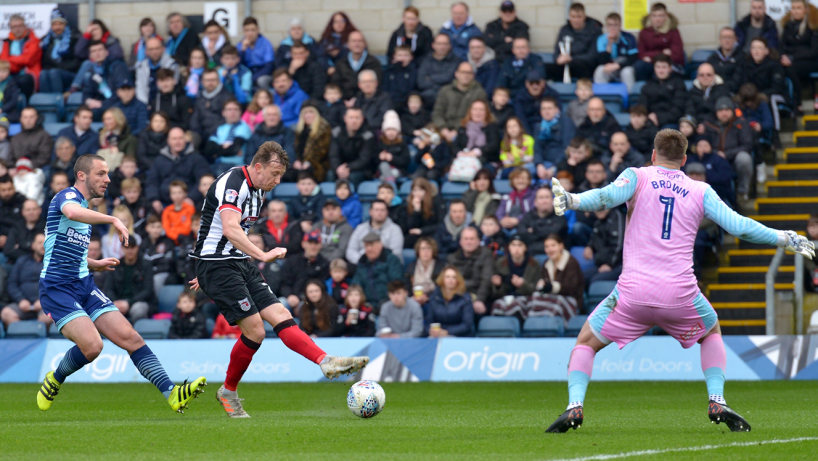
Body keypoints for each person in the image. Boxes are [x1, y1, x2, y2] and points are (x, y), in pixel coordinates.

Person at [545, 129, 815, 434]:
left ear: (653, 154)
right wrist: (784, 238)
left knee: (585, 343)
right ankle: (716, 399)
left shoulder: (638, 176)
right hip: (680, 294)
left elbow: (606, 196)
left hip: (633, 295)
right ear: (685, 159)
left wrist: (572, 199)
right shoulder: (701, 190)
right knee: (711, 331)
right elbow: (739, 227)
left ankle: (575, 406)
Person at [187, 142, 369, 417]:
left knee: (281, 313)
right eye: (274, 173)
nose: (278, 180)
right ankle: (228, 391)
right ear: (258, 166)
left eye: (281, 175)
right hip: (218, 266)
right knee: (256, 331)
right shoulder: (232, 183)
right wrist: (260, 254)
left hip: (233, 264)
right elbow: (229, 228)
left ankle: (326, 361)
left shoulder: (258, 191)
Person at [36, 154, 207, 413]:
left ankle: (171, 393)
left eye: (107, 173)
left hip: (84, 283)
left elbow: (65, 249)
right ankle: (55, 378)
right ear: (81, 175)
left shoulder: (85, 209)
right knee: (93, 346)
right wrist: (114, 219)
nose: (108, 179)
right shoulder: (67, 198)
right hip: (57, 288)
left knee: (131, 337)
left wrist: (95, 263)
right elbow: (71, 213)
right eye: (101, 173)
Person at [702, 97, 755, 203]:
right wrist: (716, 154)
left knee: (744, 158)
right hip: (714, 159)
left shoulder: (741, 123)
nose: (724, 113)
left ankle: (742, 191)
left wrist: (726, 154)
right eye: (721, 110)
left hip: (733, 158)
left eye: (727, 110)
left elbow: (748, 145)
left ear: (732, 111)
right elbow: (703, 145)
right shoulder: (708, 125)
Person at [146, 127, 210, 211]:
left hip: (190, 203)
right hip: (164, 204)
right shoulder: (159, 160)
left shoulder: (197, 159)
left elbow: (203, 181)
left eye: (180, 138)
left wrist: (191, 198)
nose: (177, 141)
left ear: (185, 140)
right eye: (174, 139)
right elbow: (152, 182)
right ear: (168, 141)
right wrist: (154, 199)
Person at [735, 37, 787, 130]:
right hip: (750, 95)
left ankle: (774, 133)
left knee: (771, 99)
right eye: (754, 48)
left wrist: (759, 95)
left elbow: (777, 87)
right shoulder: (745, 65)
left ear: (766, 51)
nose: (756, 51)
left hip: (772, 94)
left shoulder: (774, 65)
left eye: (759, 48)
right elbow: (740, 83)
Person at [103, 233, 153, 323]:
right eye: (127, 247)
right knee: (105, 310)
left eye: (132, 247)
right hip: (118, 302)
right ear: (122, 249)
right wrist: (116, 302)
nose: (130, 250)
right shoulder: (115, 266)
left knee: (138, 309)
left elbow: (148, 291)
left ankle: (137, 334)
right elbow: (108, 289)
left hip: (138, 301)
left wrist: (129, 303)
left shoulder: (146, 265)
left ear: (137, 248)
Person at [1, 233, 47, 327]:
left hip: (45, 305)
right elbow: (12, 283)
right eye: (39, 242)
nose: (43, 245)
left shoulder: (52, 263)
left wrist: (44, 301)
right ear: (33, 245)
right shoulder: (22, 261)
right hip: (22, 304)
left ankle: (38, 333)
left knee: (51, 316)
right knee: (6, 313)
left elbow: (56, 285)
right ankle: (24, 335)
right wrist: (21, 299)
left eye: (45, 242)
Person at [433, 61, 488, 141]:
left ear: (473, 75)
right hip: (442, 129)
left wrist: (457, 130)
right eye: (463, 72)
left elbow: (478, 117)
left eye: (469, 73)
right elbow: (437, 113)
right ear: (456, 74)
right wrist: (443, 129)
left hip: (466, 131)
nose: (466, 75)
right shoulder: (445, 91)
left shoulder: (479, 93)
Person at [779, 0, 818, 112]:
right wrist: (783, 57)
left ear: (805, 10)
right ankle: (786, 101)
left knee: (792, 69)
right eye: (793, 8)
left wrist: (792, 57)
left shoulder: (812, 25)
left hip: (811, 61)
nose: (795, 11)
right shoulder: (788, 26)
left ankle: (797, 102)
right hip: (791, 60)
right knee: (780, 67)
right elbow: (781, 45)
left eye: (798, 8)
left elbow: (813, 51)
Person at [349, 232, 403, 312]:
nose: (369, 249)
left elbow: (397, 284)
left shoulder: (392, 260)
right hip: (367, 305)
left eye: (372, 245)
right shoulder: (362, 263)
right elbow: (356, 285)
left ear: (380, 244)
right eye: (366, 246)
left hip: (388, 304)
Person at [547, 3, 601, 82]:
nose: (576, 20)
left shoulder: (594, 30)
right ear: (569, 17)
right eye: (573, 17)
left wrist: (571, 59)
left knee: (580, 65)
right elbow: (557, 51)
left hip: (585, 67)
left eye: (579, 17)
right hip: (566, 65)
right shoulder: (564, 30)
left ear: (584, 17)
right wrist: (558, 59)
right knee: (544, 68)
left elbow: (593, 56)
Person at [447, 226, 493, 315]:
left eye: (472, 239)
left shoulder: (486, 254)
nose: (468, 242)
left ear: (478, 241)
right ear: (460, 242)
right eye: (466, 239)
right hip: (458, 296)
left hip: (479, 297)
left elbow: (486, 280)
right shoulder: (452, 258)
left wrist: (479, 300)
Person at [280, 230, 331, 309]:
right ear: (303, 244)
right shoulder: (292, 260)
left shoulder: (324, 264)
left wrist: (305, 298)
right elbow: (284, 283)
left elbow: (322, 286)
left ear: (320, 245)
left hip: (311, 300)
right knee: (281, 303)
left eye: (316, 243)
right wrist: (289, 295)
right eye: (310, 243)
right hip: (291, 298)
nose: (313, 246)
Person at [79, 41, 130, 120]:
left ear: (107, 52)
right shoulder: (91, 71)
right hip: (102, 106)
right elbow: (86, 93)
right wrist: (89, 101)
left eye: (100, 50)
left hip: (119, 106)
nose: (97, 53)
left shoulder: (117, 67)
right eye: (94, 51)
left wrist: (102, 104)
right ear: (90, 55)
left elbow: (122, 93)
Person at [489, 234, 540, 313]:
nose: (516, 248)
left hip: (527, 300)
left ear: (525, 248)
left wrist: (523, 285)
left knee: (518, 308)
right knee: (497, 307)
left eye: (520, 245)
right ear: (509, 247)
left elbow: (537, 289)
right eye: (513, 245)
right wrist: (498, 286)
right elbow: (495, 293)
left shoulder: (534, 264)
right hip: (505, 298)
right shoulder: (500, 263)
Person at [634, 3, 685, 81]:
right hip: (651, 64)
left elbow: (677, 55)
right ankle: (642, 90)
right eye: (654, 16)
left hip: (669, 64)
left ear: (666, 16)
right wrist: (662, 53)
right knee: (639, 66)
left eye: (660, 15)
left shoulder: (673, 31)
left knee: (660, 71)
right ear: (650, 17)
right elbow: (641, 54)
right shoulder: (644, 32)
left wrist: (651, 57)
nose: (657, 19)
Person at [346, 199, 404, 264]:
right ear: (370, 212)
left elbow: (396, 253)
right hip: (362, 265)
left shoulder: (395, 229)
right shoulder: (360, 228)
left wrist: (376, 265)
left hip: (386, 267)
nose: (379, 213)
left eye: (382, 210)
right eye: (376, 210)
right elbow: (350, 251)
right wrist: (362, 261)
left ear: (387, 212)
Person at [329, 107, 377, 185]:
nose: (354, 121)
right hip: (341, 167)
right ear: (345, 119)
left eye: (357, 118)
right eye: (351, 118)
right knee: (330, 174)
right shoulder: (336, 133)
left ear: (362, 119)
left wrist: (348, 167)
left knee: (353, 177)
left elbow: (364, 159)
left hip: (361, 169)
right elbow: (334, 155)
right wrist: (338, 168)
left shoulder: (368, 135)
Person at [424, 265, 475, 337]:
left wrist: (447, 332)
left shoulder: (465, 299)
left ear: (458, 280)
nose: (450, 280)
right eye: (447, 277)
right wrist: (431, 331)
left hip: (459, 337)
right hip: (437, 336)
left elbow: (467, 325)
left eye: (454, 277)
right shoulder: (434, 298)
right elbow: (429, 323)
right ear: (442, 280)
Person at [638, 55, 687, 129]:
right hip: (650, 122)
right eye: (658, 67)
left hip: (671, 123)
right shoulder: (647, 86)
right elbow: (642, 106)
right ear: (654, 68)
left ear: (670, 68)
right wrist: (648, 118)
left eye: (664, 67)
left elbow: (678, 109)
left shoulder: (678, 84)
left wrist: (658, 118)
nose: (661, 71)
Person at [687, 136, 736, 208]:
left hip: (716, 193)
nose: (703, 148)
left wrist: (706, 177)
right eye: (700, 146)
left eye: (705, 145)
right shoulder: (690, 160)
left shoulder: (718, 160)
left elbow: (726, 176)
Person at [40, 9, 81, 95]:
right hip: (52, 73)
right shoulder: (46, 41)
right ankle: (45, 103)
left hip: (71, 74)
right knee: (43, 73)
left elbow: (77, 62)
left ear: (65, 25)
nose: (58, 27)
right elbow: (44, 62)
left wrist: (59, 67)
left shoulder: (74, 38)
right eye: (55, 24)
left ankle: (57, 102)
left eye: (61, 24)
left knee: (54, 72)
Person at [331, 31, 382, 100]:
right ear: (348, 44)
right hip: (344, 102)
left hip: (366, 101)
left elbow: (377, 85)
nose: (357, 44)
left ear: (364, 44)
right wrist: (345, 100)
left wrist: (357, 100)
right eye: (354, 41)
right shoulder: (341, 63)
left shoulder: (374, 63)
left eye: (360, 41)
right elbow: (336, 85)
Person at [517, 186, 569, 254]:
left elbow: (555, 234)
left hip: (554, 253)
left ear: (552, 201)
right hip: (531, 253)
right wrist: (546, 229)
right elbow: (522, 233)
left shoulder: (559, 216)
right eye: (541, 198)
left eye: (547, 197)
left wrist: (533, 230)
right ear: (535, 202)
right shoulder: (528, 216)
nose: (544, 201)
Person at [594, 12, 637, 92]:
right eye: (610, 25)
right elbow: (602, 61)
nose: (612, 28)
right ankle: (602, 99)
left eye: (615, 25)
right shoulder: (601, 39)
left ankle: (627, 99)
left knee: (627, 72)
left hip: (623, 67)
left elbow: (633, 58)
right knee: (599, 70)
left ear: (620, 26)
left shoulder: (629, 37)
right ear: (606, 26)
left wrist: (618, 65)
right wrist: (609, 44)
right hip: (609, 68)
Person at [0, 14, 41, 98]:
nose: (18, 29)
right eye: (14, 27)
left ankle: (27, 106)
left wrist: (10, 58)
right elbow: (4, 61)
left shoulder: (33, 40)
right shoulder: (6, 42)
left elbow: (27, 60)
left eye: (20, 26)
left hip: (28, 74)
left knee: (21, 80)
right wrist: (17, 62)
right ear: (10, 28)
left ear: (25, 26)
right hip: (9, 73)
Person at [534, 97, 575, 180]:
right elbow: (537, 148)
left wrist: (554, 167)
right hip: (543, 163)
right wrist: (539, 165)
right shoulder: (539, 125)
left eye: (549, 108)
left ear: (556, 109)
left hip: (560, 163)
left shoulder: (566, 123)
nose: (546, 111)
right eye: (544, 109)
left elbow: (566, 147)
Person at [452, 100, 501, 170]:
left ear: (486, 112)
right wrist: (461, 153)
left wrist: (477, 152)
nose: (478, 112)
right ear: (470, 112)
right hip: (464, 161)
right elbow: (455, 146)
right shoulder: (463, 127)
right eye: (475, 109)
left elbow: (494, 144)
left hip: (485, 161)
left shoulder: (491, 127)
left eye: (481, 110)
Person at [289, 103, 331, 183]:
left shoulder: (323, 130)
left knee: (305, 173)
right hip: (300, 163)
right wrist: (296, 161)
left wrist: (308, 162)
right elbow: (294, 149)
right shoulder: (298, 131)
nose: (308, 115)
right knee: (287, 174)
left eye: (311, 112)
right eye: (305, 113)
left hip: (317, 164)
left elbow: (322, 151)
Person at [417, 33, 462, 109]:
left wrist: (430, 78)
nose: (442, 47)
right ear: (433, 45)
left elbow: (449, 78)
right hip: (428, 99)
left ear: (449, 46)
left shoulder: (456, 61)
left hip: (449, 99)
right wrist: (439, 85)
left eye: (445, 44)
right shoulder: (425, 60)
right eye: (439, 44)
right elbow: (421, 82)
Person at [202, 99, 252, 165]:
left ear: (240, 112)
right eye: (229, 109)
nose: (233, 112)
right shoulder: (221, 128)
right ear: (223, 113)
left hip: (237, 167)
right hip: (218, 164)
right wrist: (223, 147)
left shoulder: (244, 127)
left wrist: (216, 153)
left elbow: (234, 149)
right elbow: (208, 149)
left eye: (236, 109)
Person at [401, 177, 445, 249]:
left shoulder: (437, 201)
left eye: (420, 190)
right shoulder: (410, 203)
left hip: (432, 233)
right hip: (417, 235)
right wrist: (416, 210)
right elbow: (411, 227)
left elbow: (441, 224)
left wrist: (422, 231)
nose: (417, 193)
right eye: (414, 190)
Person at [190, 68, 232, 142]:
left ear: (218, 80)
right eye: (207, 80)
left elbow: (228, 119)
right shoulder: (200, 98)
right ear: (202, 82)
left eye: (213, 80)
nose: (210, 83)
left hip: (219, 134)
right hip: (201, 134)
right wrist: (197, 132)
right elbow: (195, 119)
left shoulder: (227, 97)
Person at [514, 69, 560, 135]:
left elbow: (557, 115)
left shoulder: (553, 95)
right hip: (526, 129)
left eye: (537, 83)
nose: (534, 86)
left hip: (548, 129)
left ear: (543, 83)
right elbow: (521, 118)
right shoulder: (520, 97)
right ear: (526, 84)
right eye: (531, 83)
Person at [134, 37, 178, 107]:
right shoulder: (141, 67)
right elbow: (140, 89)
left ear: (163, 49)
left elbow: (173, 86)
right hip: (147, 104)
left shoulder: (171, 65)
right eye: (151, 49)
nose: (154, 52)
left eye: (157, 48)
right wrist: (145, 106)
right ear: (146, 52)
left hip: (166, 104)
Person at [484, 1, 530, 65]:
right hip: (493, 60)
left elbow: (519, 46)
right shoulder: (492, 25)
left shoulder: (522, 26)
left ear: (515, 12)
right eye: (504, 11)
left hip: (513, 61)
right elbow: (486, 41)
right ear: (500, 12)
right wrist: (503, 39)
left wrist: (496, 43)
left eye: (510, 11)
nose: (507, 14)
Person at [405, 237, 446, 305]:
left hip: (434, 300)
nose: (426, 252)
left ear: (433, 251)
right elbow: (407, 287)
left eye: (429, 248)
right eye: (423, 248)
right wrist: (413, 298)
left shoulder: (441, 267)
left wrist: (427, 297)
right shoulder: (410, 267)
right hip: (414, 299)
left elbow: (441, 288)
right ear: (418, 251)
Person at [140, 214, 175, 295]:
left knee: (156, 279)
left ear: (162, 227)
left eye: (158, 227)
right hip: (147, 272)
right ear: (147, 228)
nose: (155, 230)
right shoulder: (144, 243)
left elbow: (168, 264)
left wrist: (152, 270)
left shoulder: (168, 242)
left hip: (162, 273)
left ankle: (156, 303)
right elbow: (140, 260)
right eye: (152, 227)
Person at [237, 17, 275, 89]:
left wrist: (253, 78)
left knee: (261, 80)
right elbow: (237, 65)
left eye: (253, 30)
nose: (250, 33)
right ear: (243, 31)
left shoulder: (265, 43)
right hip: (246, 73)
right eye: (247, 30)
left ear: (258, 30)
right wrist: (242, 51)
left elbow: (269, 66)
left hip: (262, 72)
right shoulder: (240, 45)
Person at [4, 199, 43, 264]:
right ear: (23, 212)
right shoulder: (17, 227)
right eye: (28, 210)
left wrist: (20, 246)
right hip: (16, 263)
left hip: (40, 264)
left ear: (40, 210)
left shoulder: (47, 227)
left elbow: (44, 251)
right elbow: (8, 250)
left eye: (34, 209)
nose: (31, 212)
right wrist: (31, 249)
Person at [707, 27, 744, 92]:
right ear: (719, 39)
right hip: (715, 93)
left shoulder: (742, 58)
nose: (727, 40)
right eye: (724, 37)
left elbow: (737, 82)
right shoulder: (712, 59)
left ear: (735, 39)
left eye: (729, 37)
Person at [384, 45, 418, 112]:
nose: (402, 58)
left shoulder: (414, 71)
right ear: (394, 56)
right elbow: (384, 89)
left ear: (411, 57)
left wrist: (400, 72)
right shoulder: (388, 71)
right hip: (390, 102)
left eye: (406, 56)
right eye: (399, 55)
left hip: (406, 103)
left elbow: (406, 90)